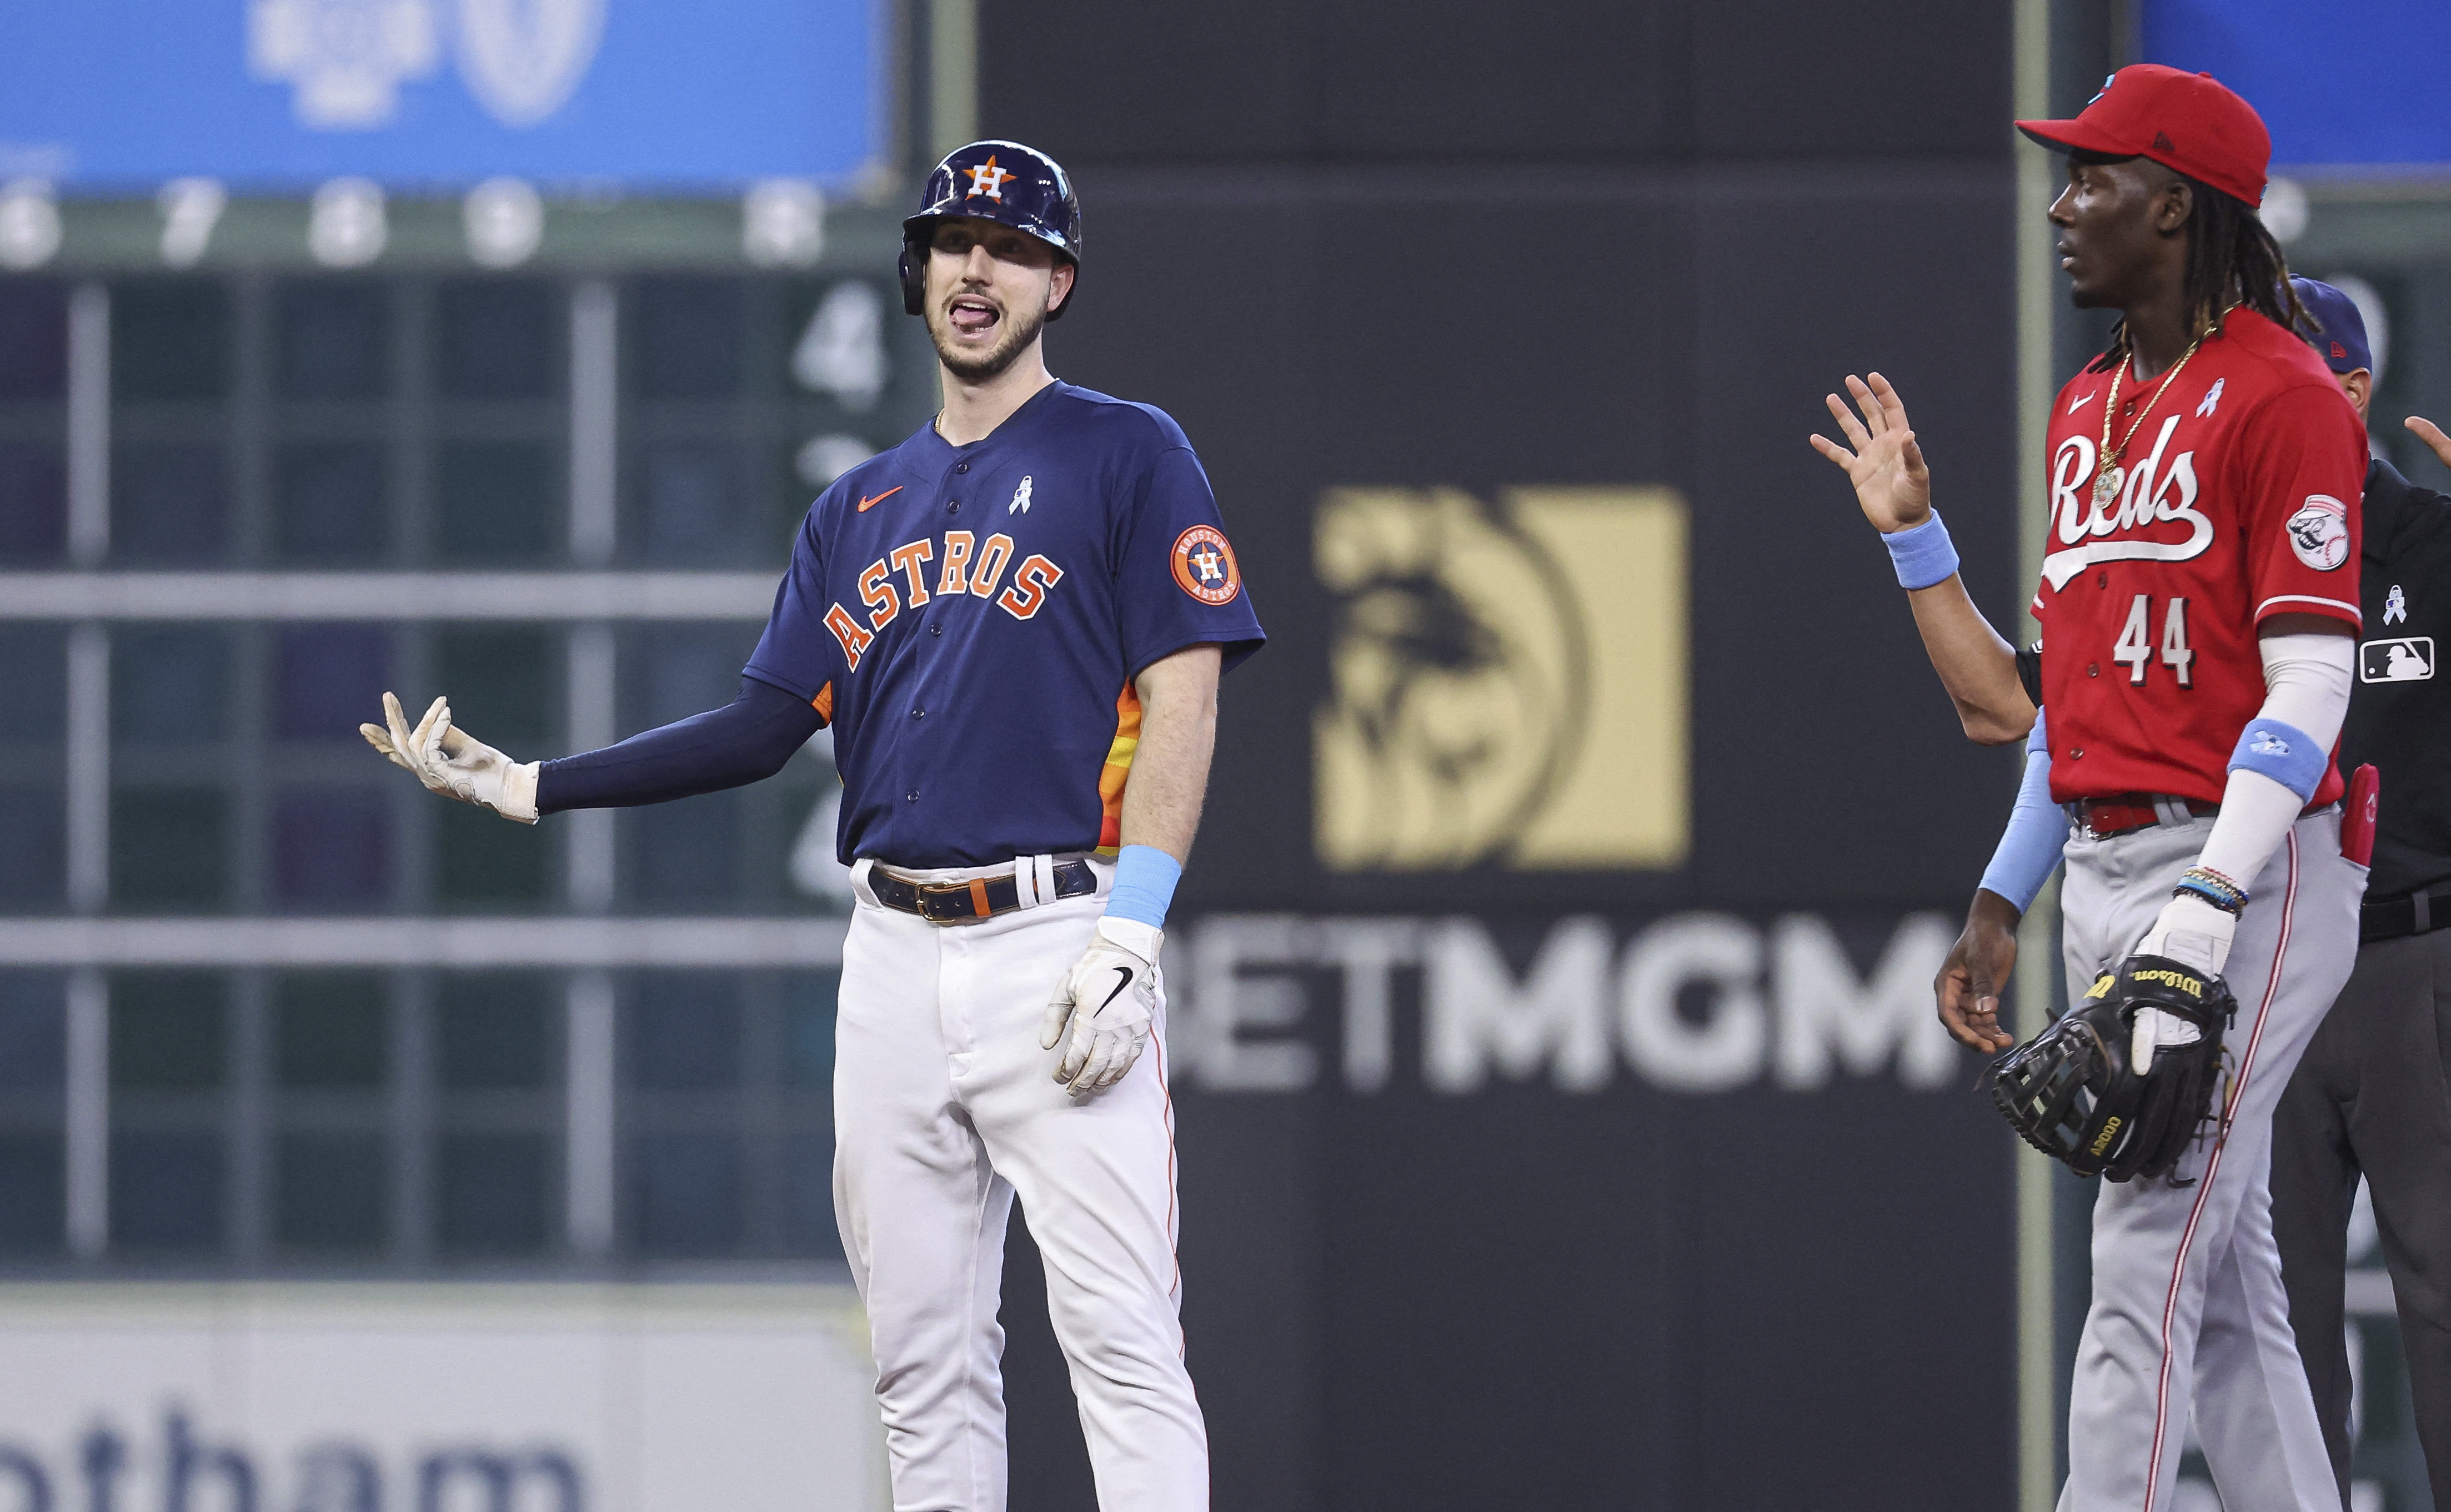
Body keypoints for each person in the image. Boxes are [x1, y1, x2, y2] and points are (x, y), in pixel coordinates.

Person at [362, 139, 1265, 1512]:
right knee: (919, 1366)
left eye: (1013, 248)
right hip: (891, 958)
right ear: (919, 272)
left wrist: (1133, 928)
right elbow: (758, 726)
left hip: (1060, 937)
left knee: (1121, 1345)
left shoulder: (1124, 452)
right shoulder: (856, 508)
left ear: (1057, 284)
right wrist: (536, 783)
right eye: (957, 240)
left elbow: (1183, 691)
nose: (979, 267)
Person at [1810, 67, 2368, 1511]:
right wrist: (2003, 896)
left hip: (2252, 862)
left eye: (2091, 177)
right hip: (2112, 866)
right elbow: (2027, 704)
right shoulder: (2085, 411)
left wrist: (2201, 904)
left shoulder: (2282, 396)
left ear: (2171, 206)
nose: (2060, 205)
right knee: (2224, 1285)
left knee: (2136, 1257)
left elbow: (2308, 686)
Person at [2268, 279, 2451, 1511]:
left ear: (2346, 389)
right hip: (2270, 967)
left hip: (2413, 966)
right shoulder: (2216, 564)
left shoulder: (2435, 542)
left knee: (2443, 1291)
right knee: (2271, 1314)